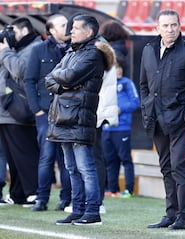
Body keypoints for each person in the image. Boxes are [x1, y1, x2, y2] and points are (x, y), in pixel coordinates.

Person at [45, 14, 115, 225]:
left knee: (86, 168)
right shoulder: (71, 51)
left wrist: (63, 80)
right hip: (62, 117)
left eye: (75, 28)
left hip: (79, 117)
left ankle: (92, 212)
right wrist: (64, 83)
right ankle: (77, 209)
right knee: (72, 169)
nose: (71, 31)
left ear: (89, 32)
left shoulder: (93, 53)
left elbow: (67, 76)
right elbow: (50, 78)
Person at [140, 9, 185, 230]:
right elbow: (143, 85)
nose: (170, 29)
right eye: (166, 26)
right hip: (156, 120)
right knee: (166, 167)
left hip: (179, 121)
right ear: (157, 28)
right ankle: (171, 213)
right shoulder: (148, 50)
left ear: (180, 26)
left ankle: (184, 217)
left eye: (174, 25)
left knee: (178, 167)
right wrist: (146, 107)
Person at [23, 13, 71, 212]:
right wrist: (36, 110)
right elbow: (29, 80)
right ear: (51, 30)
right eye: (62, 25)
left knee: (67, 159)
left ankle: (66, 199)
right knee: (46, 158)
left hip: (68, 113)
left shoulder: (74, 50)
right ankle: (41, 199)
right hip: (45, 113)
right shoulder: (38, 50)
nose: (67, 27)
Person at [0, 17, 41, 207]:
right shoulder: (18, 49)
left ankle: (33, 192)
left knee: (25, 154)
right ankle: (17, 194)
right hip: (7, 110)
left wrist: (5, 51)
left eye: (13, 31)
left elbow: (20, 71)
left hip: (20, 110)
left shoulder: (33, 47)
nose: (11, 36)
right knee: (13, 157)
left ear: (24, 30)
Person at [102, 59, 139, 198]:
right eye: (115, 68)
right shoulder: (105, 84)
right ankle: (113, 189)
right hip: (107, 128)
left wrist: (120, 109)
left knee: (125, 159)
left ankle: (129, 189)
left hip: (121, 127)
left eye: (119, 68)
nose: (118, 70)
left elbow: (136, 102)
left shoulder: (127, 83)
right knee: (109, 160)